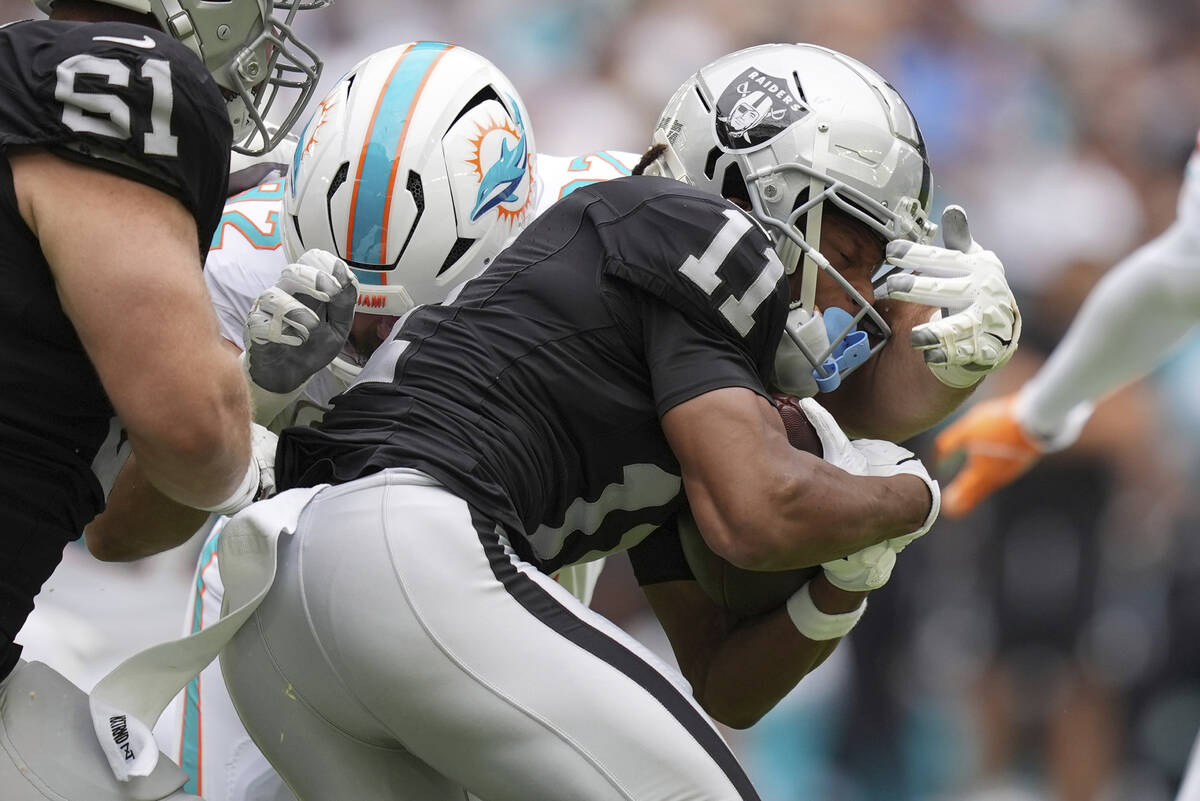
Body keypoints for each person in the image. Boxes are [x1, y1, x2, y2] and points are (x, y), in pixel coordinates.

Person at [199, 43, 1020, 800]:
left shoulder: (658, 377)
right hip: (402, 546)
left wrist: (853, 572)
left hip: (287, 605)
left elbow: (726, 680)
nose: (861, 299)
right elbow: (758, 511)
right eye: (845, 254)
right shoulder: (694, 229)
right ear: (758, 196)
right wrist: (912, 500)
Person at [153, 42, 630, 801]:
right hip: (294, 587)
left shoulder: (610, 228)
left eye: (398, 325)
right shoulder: (234, 261)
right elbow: (145, 514)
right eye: (355, 328)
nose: (376, 352)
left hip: (521, 554)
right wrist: (256, 393)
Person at [0, 0, 327, 798]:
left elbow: (116, 529)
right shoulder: (123, 74)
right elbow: (191, 433)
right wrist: (239, 409)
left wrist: (246, 390)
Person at [934, 131, 1200, 516]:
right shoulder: (1011, 325)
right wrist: (1033, 414)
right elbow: (1173, 277)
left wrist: (1033, 412)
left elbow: (1135, 427)